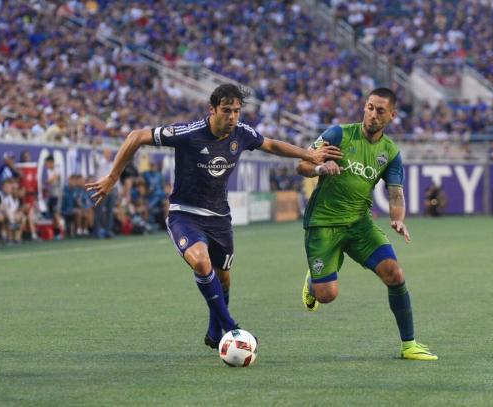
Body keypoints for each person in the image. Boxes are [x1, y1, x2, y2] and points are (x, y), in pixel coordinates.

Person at [85, 84, 342, 349]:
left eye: (237, 111)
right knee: (200, 261)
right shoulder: (189, 133)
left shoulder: (242, 134)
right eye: (226, 110)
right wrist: (113, 177)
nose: (232, 117)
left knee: (224, 278)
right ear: (212, 109)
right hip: (185, 214)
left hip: (219, 218)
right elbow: (136, 136)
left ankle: (213, 333)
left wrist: (308, 154)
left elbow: (272, 144)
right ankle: (232, 328)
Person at [297, 88, 438, 361]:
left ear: (392, 115)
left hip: (360, 224)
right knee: (326, 295)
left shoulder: (390, 152)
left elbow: (395, 192)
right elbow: (302, 164)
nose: (373, 114)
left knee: (394, 273)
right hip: (323, 225)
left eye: (380, 110)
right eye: (370, 107)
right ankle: (314, 281)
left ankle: (409, 345)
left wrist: (398, 218)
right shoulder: (339, 134)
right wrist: (320, 168)